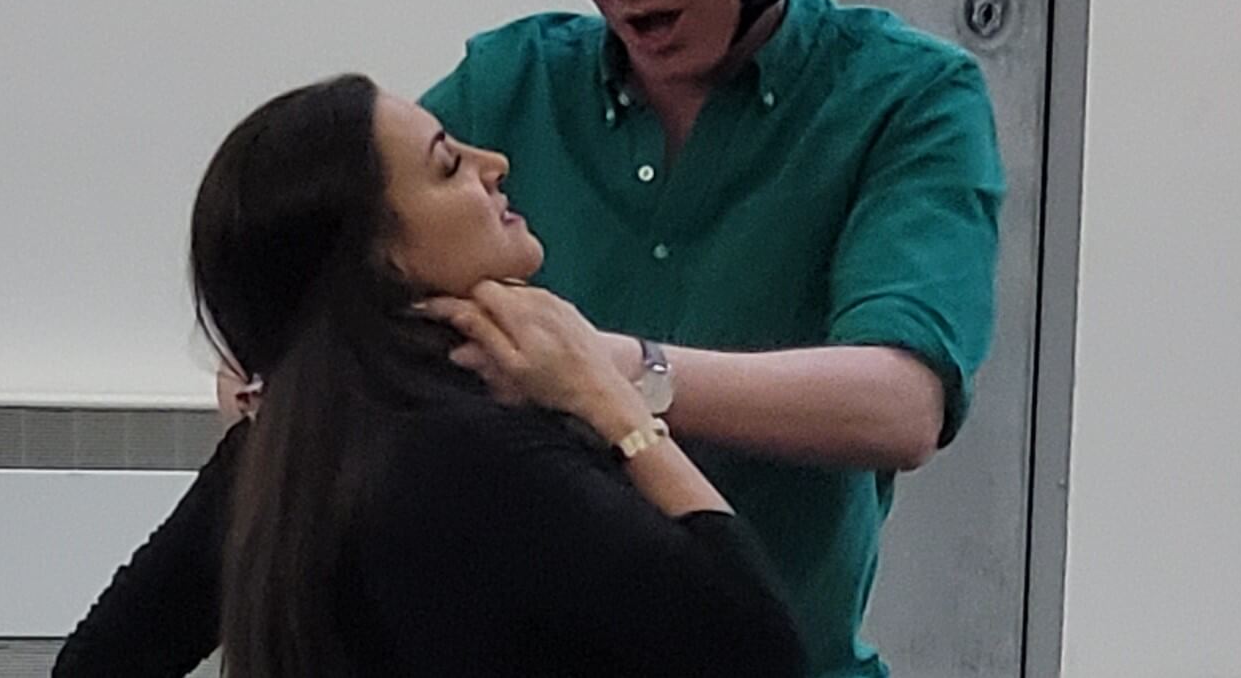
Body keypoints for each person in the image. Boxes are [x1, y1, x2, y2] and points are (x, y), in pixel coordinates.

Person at [55, 0, 1003, 678]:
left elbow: (901, 404)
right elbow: (328, 241)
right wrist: (285, 368)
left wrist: (610, 372)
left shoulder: (903, 98)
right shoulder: (513, 84)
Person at [57, 73, 806, 677]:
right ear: (382, 258)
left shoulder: (277, 453)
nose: (495, 165)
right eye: (449, 166)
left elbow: (96, 664)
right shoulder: (485, 456)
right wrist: (618, 408)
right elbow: (760, 654)